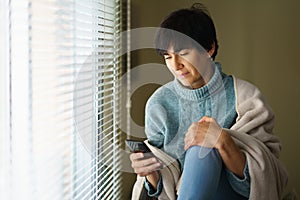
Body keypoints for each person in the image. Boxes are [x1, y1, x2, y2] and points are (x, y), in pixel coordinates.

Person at [129, 3, 288, 200]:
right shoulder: (159, 104)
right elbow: (161, 194)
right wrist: (150, 174)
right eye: (168, 57)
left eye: (184, 53)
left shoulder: (246, 99)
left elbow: (261, 184)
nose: (176, 65)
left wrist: (223, 141)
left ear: (209, 48)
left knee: (202, 147)